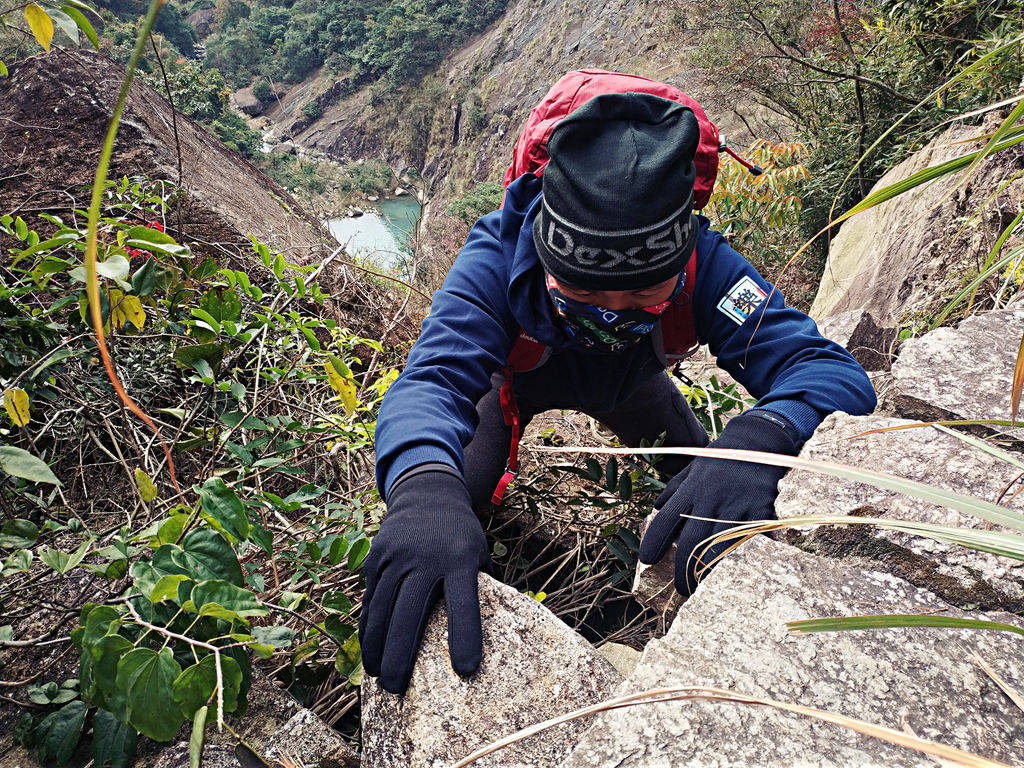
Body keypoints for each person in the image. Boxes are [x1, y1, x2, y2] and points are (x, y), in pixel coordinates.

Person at [360, 86, 877, 694]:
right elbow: (434, 380)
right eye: (583, 294)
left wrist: (762, 436)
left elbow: (825, 370)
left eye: (640, 299)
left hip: (632, 385)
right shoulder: (496, 257)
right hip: (512, 382)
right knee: (456, 494)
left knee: (708, 481)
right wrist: (422, 484)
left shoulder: (704, 264)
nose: (611, 313)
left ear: (677, 262)